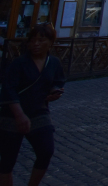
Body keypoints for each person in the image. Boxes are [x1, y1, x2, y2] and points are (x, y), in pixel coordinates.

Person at [0, 23, 66, 186]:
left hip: (38, 111)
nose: (36, 44)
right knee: (7, 161)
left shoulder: (53, 62)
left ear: (50, 42)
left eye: (41, 40)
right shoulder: (19, 63)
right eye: (32, 40)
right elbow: (8, 90)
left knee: (46, 151)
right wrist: (19, 115)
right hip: (12, 114)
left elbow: (57, 82)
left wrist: (55, 92)